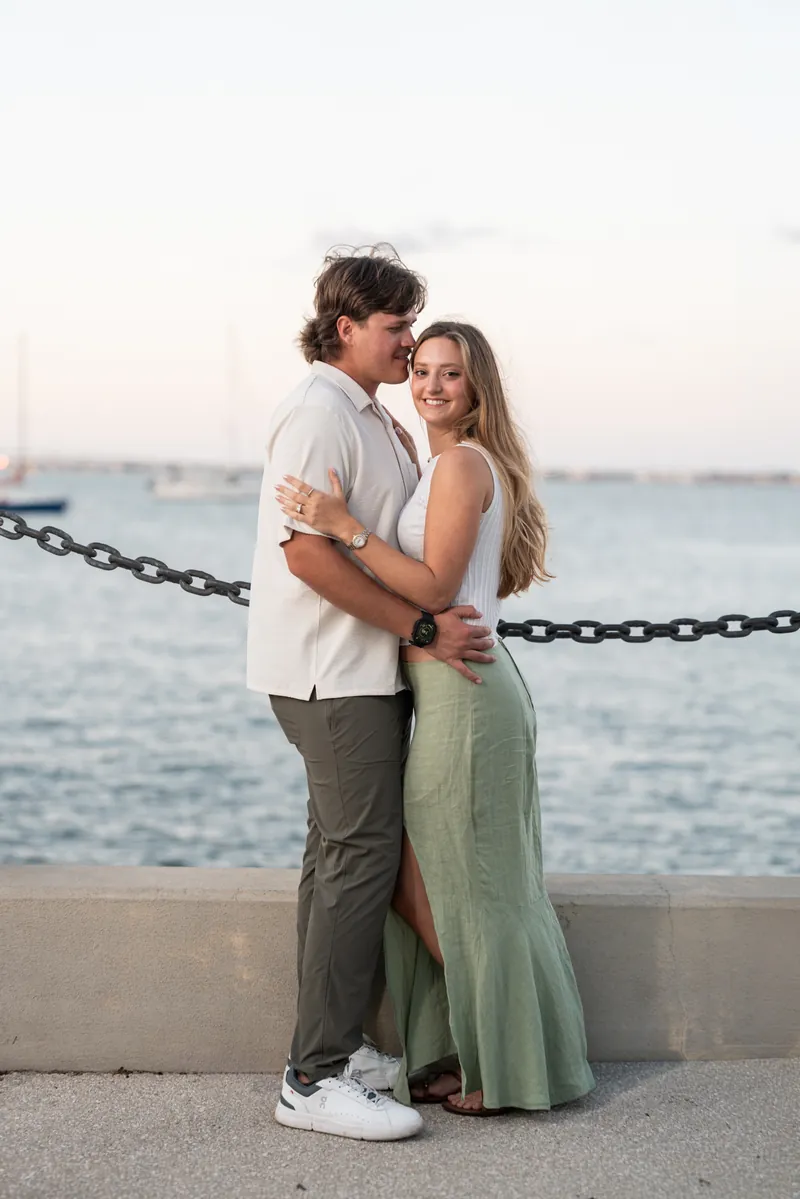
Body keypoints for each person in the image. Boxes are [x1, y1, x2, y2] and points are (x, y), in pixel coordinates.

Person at [276, 320, 596, 1117]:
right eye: (421, 369)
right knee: (427, 880)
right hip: (451, 689)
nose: (430, 385)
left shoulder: (458, 463)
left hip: (465, 694)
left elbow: (430, 584)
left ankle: (509, 1067)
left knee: (476, 888)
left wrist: (343, 524)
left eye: (449, 373)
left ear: (477, 385)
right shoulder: (439, 464)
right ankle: (468, 1048)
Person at [247, 249, 496, 1141]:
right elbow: (307, 553)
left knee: (338, 859)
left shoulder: (371, 415)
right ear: (346, 328)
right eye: (396, 329)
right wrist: (421, 629)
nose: (407, 344)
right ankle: (312, 1079)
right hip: (332, 673)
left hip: (362, 670)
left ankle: (336, 1047)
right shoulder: (319, 412)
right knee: (359, 860)